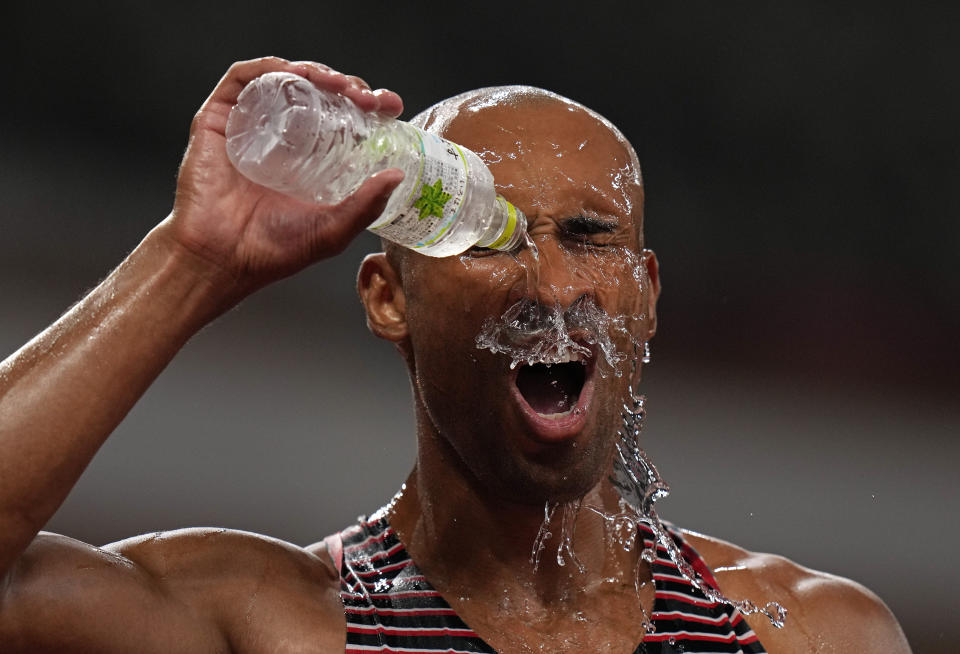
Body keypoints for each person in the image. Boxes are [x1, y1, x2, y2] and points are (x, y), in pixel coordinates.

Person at [0, 57, 910, 653]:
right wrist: (189, 262)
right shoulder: (275, 626)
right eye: (489, 240)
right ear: (388, 298)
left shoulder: (814, 633)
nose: (553, 289)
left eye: (591, 237)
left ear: (649, 294)